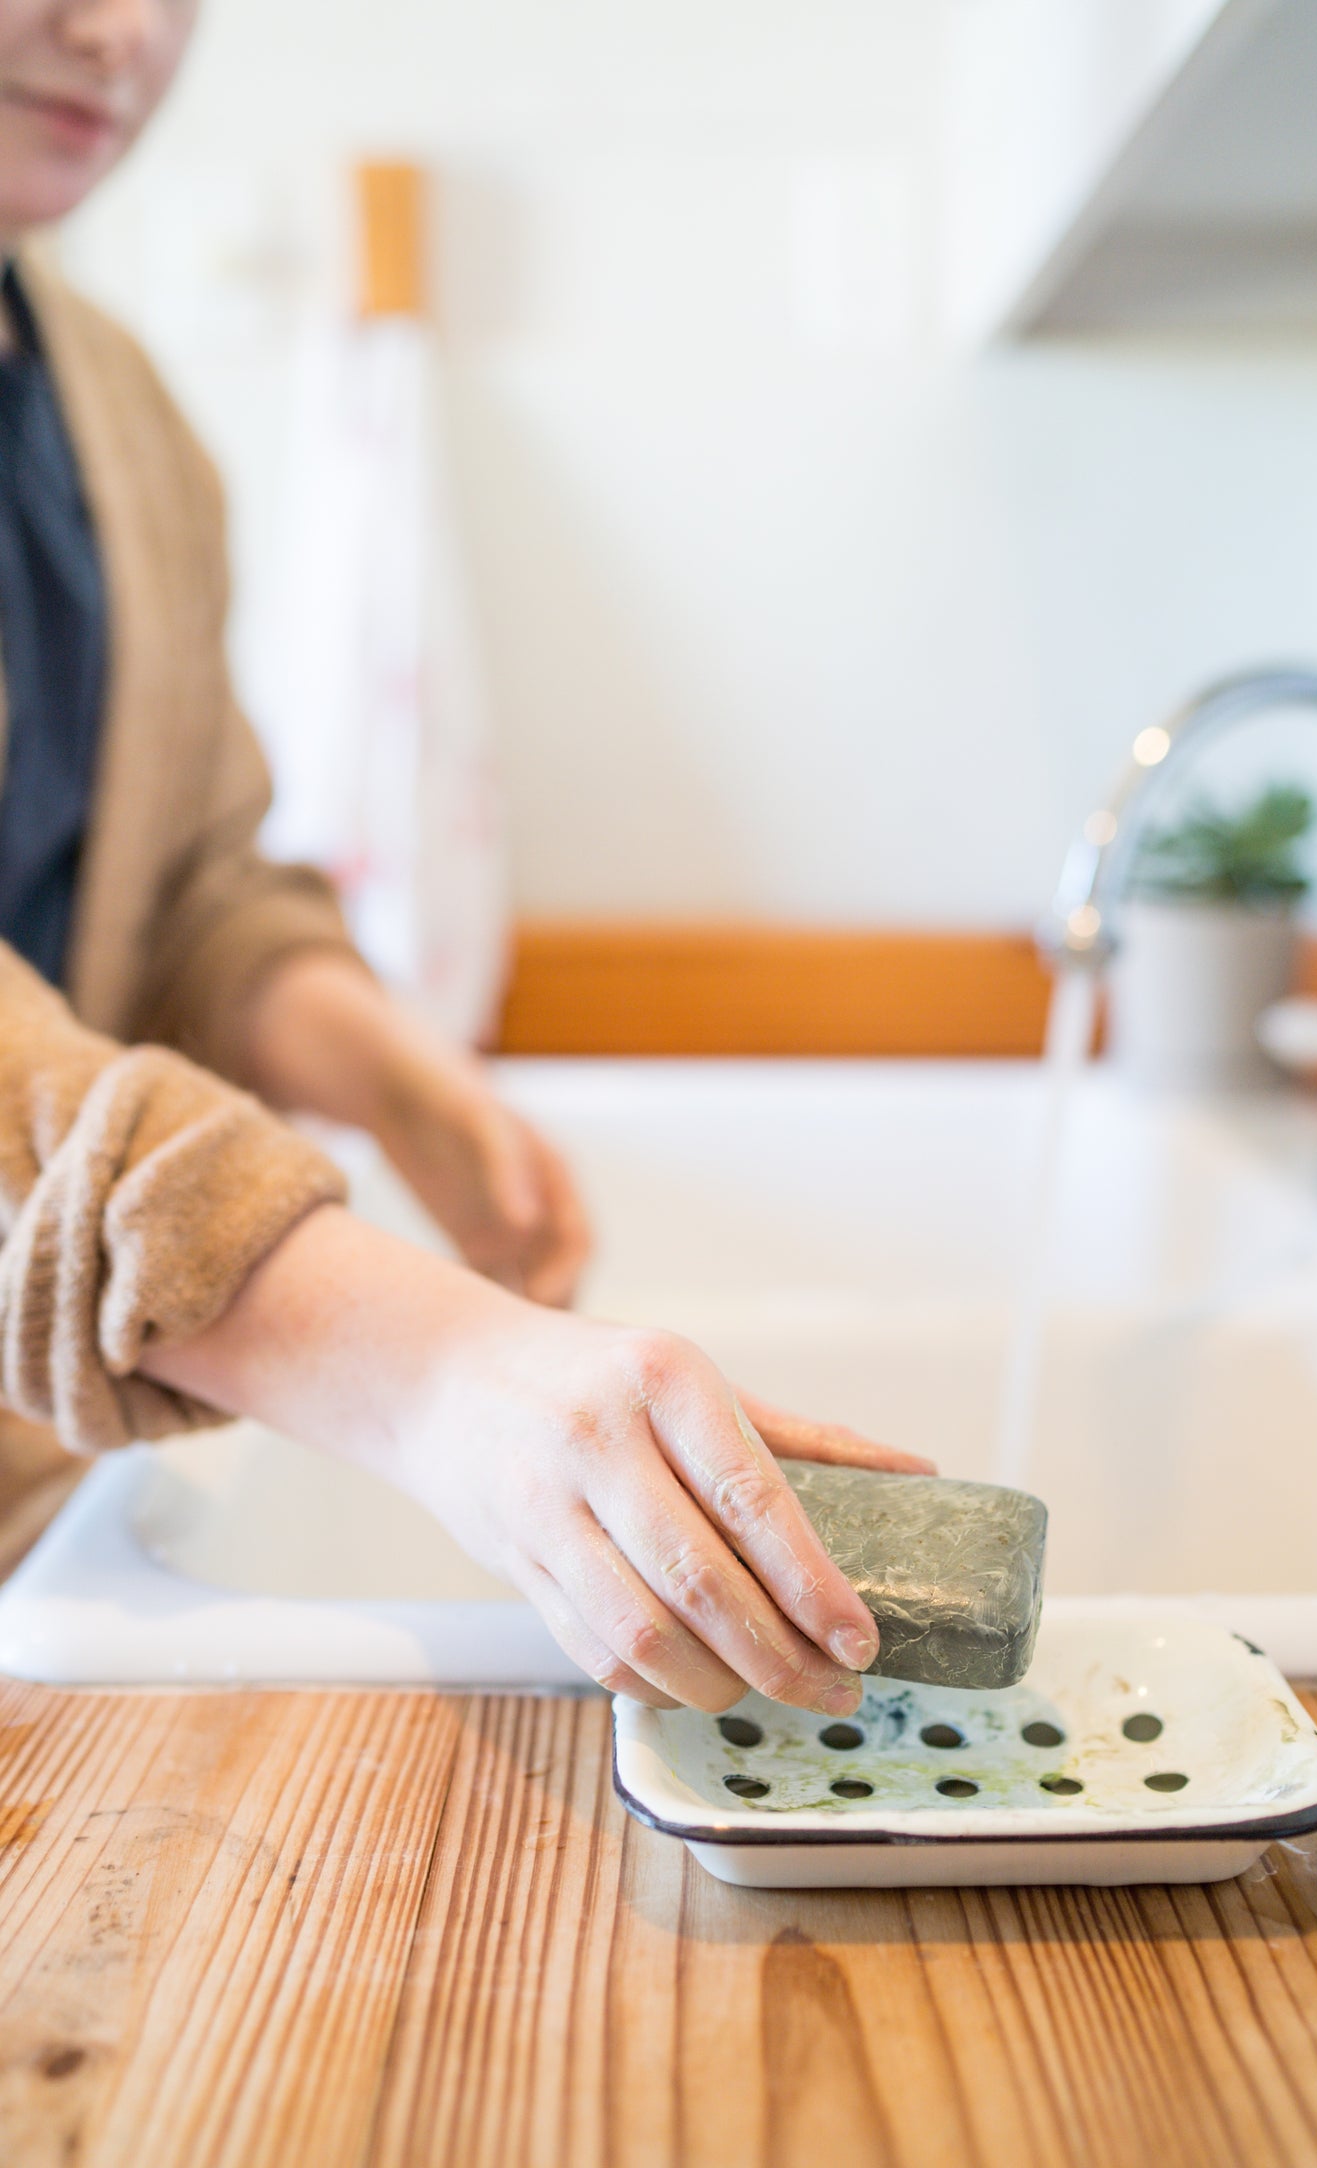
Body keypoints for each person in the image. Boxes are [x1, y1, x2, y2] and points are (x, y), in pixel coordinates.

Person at [0, 0, 928, 1715]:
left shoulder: (121, 414)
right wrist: (423, 1374)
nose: (114, 30)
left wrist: (405, 1079)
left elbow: (193, 879)